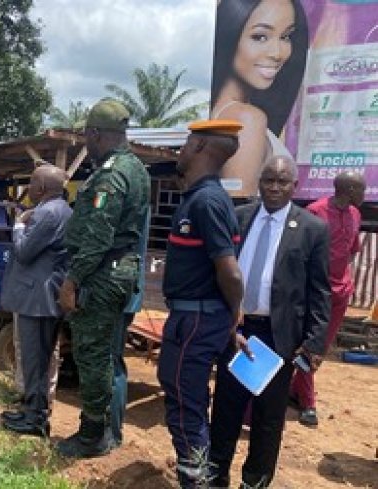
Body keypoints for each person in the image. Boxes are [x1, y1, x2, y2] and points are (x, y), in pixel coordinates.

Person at [209, 156, 330, 488]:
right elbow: (219, 274)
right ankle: (215, 476)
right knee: (225, 410)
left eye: (282, 182)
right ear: (259, 182)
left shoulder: (312, 229)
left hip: (279, 340)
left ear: (295, 185)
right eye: (268, 180)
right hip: (237, 331)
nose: (274, 188)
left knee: (267, 418)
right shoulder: (239, 218)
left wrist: (315, 342)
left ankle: (255, 481)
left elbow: (320, 291)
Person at [56, 99, 150, 458]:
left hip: (101, 273)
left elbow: (99, 234)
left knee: (92, 354)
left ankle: (93, 436)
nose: (85, 142)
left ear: (95, 133)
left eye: (86, 136)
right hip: (116, 270)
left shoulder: (112, 173)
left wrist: (72, 280)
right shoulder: (136, 168)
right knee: (104, 355)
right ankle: (104, 432)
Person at [157, 120, 244, 488]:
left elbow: (232, 274)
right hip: (191, 318)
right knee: (182, 397)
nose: (181, 149)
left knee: (185, 405)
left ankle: (196, 482)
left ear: (199, 146)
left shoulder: (207, 201)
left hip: (196, 321)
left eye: (186, 142)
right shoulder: (201, 197)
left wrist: (232, 318)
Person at [0, 165, 72, 438]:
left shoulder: (47, 213)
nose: (28, 187)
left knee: (34, 359)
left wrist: (18, 224)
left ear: (41, 188)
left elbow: (24, 251)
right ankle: (32, 410)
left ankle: (35, 419)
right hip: (44, 296)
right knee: (37, 359)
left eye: (31, 182)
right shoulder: (61, 209)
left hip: (38, 299)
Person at [211, 0, 308, 197]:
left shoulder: (226, 113)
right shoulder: (247, 119)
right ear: (230, 34)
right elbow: (239, 206)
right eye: (260, 37)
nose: (277, 53)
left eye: (286, 36)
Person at [290, 171, 365, 426]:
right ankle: (308, 401)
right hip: (314, 292)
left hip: (341, 293)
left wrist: (342, 278)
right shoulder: (315, 211)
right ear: (350, 190)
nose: (365, 194)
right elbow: (300, 252)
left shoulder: (356, 214)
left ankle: (296, 390)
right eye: (362, 189)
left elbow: (351, 250)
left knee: (321, 347)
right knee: (311, 343)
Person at [111, 210, 150, 447]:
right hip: (123, 289)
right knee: (111, 361)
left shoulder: (127, 195)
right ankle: (107, 431)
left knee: (109, 363)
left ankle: (109, 433)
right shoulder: (138, 193)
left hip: (115, 291)